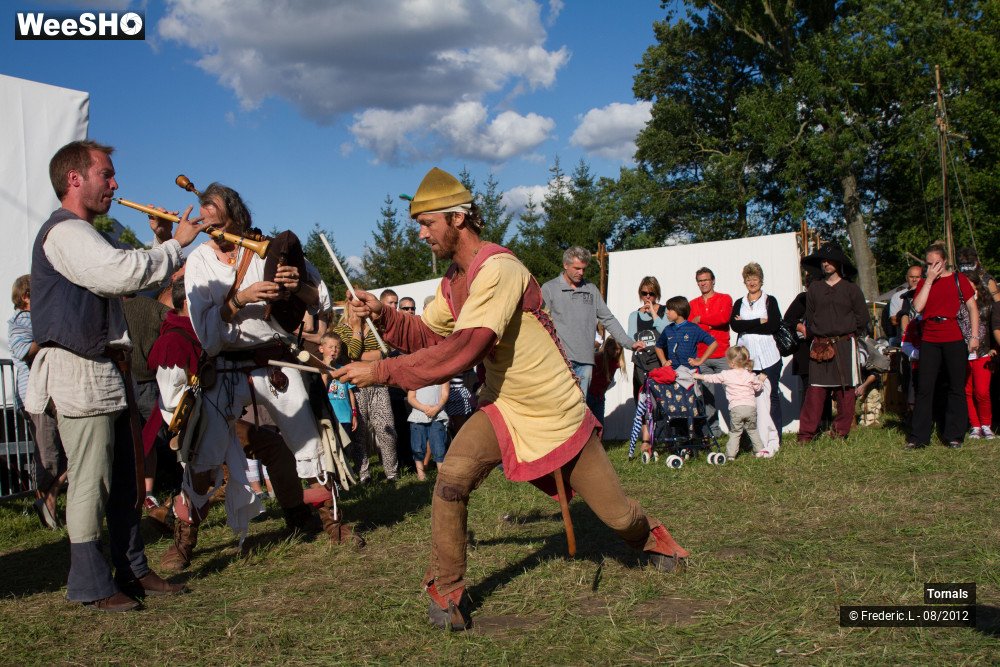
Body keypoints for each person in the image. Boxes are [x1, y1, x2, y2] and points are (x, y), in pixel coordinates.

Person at [332, 167, 689, 631]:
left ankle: (656, 541)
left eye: (427, 223)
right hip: (502, 405)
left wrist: (381, 370)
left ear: (458, 219)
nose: (420, 234)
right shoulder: (454, 281)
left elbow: (465, 348)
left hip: (554, 411)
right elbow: (426, 334)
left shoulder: (499, 270)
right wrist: (382, 312)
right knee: (452, 479)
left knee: (619, 517)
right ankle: (447, 591)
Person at [26, 140, 200, 610]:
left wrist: (160, 243)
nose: (116, 183)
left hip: (106, 369)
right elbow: (116, 274)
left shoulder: (87, 233)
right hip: (78, 370)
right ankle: (89, 583)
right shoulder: (64, 233)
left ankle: (132, 570)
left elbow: (131, 272)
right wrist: (173, 245)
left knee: (126, 476)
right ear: (75, 179)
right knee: (91, 479)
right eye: (107, 174)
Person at [184, 183, 358, 544]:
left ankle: (328, 519)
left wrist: (295, 286)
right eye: (202, 214)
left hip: (274, 361)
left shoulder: (265, 247)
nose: (204, 220)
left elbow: (318, 300)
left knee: (309, 441)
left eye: (211, 212)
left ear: (234, 215)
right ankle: (185, 536)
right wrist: (241, 298)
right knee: (206, 450)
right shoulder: (199, 261)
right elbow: (205, 329)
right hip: (225, 364)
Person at [904, 242, 979, 448]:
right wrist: (928, 280)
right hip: (930, 339)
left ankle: (954, 435)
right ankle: (919, 437)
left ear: (944, 261)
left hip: (954, 336)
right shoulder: (924, 282)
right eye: (929, 264)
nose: (932, 267)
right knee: (925, 388)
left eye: (936, 263)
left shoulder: (958, 279)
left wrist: (974, 336)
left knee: (956, 386)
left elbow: (973, 307)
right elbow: (918, 307)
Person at [541, 246, 643, 396]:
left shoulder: (591, 289)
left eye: (583, 269)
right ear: (565, 265)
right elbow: (541, 324)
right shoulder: (549, 289)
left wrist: (629, 343)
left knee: (581, 409)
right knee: (558, 408)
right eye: (577, 268)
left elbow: (608, 319)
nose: (581, 273)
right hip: (558, 361)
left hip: (586, 361)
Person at [8, 274, 66, 529]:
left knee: (69, 453)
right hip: (36, 397)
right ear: (25, 296)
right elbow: (23, 351)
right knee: (49, 454)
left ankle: (49, 503)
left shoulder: (42, 317)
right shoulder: (19, 321)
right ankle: (46, 505)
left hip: (55, 392)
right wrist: (50, 333)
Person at [797, 246, 870, 442]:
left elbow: (862, 318)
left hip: (845, 344)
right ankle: (806, 435)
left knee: (845, 392)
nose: (825, 263)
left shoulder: (851, 289)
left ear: (838, 263)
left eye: (829, 260)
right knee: (815, 392)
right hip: (820, 344)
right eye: (822, 261)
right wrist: (819, 335)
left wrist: (844, 333)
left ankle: (839, 433)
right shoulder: (815, 289)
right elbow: (810, 318)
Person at [331, 306, 399, 484]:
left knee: (386, 428)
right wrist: (357, 330)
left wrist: (361, 358)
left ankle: (391, 472)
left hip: (378, 383)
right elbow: (350, 354)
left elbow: (386, 352)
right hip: (356, 386)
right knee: (359, 432)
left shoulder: (375, 326)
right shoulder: (341, 330)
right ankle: (364, 474)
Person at [730, 262, 784, 433]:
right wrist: (759, 321)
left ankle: (775, 436)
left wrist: (745, 324)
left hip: (769, 356)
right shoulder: (740, 302)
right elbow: (735, 326)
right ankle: (753, 437)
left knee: (771, 395)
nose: (752, 282)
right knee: (747, 397)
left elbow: (773, 326)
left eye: (755, 279)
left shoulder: (770, 300)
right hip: (746, 358)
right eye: (748, 279)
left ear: (761, 280)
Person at [693, 346, 766, 459]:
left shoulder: (726, 374)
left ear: (731, 363)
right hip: (751, 407)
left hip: (736, 408)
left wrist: (698, 376)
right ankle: (760, 451)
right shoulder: (750, 375)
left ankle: (731, 455)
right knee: (752, 430)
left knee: (735, 433)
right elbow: (757, 388)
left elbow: (712, 378)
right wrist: (761, 380)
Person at [958, 247, 997, 439]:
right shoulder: (958, 306)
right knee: (968, 391)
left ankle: (987, 424)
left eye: (971, 285)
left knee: (982, 391)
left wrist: (993, 348)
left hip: (983, 351)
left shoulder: (987, 305)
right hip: (964, 353)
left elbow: (993, 326)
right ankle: (975, 425)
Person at [689, 268, 733, 437]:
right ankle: (713, 431)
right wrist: (708, 323)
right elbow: (693, 327)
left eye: (706, 280)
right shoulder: (693, 304)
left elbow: (723, 319)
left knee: (734, 393)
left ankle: (739, 429)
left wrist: (702, 320)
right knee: (707, 397)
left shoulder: (725, 298)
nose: (703, 283)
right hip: (702, 356)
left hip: (723, 354)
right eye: (700, 280)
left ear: (713, 280)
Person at [627, 277, 667, 400]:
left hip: (660, 363)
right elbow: (630, 340)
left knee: (662, 401)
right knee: (642, 404)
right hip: (642, 365)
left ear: (657, 294)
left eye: (651, 293)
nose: (648, 297)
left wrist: (654, 314)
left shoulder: (665, 311)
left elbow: (666, 332)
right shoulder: (634, 315)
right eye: (644, 293)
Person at [654, 296, 718, 370]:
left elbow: (713, 343)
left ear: (679, 310)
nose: (666, 312)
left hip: (690, 373)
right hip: (673, 373)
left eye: (669, 309)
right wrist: (664, 361)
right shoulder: (668, 329)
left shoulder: (693, 328)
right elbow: (658, 346)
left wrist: (700, 361)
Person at [408, 381, 450, 481]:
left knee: (439, 446)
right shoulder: (414, 376)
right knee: (418, 447)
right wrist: (425, 408)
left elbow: (445, 394)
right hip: (418, 417)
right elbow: (411, 398)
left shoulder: (443, 375)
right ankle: (421, 475)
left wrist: (437, 407)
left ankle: (442, 475)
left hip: (437, 416)